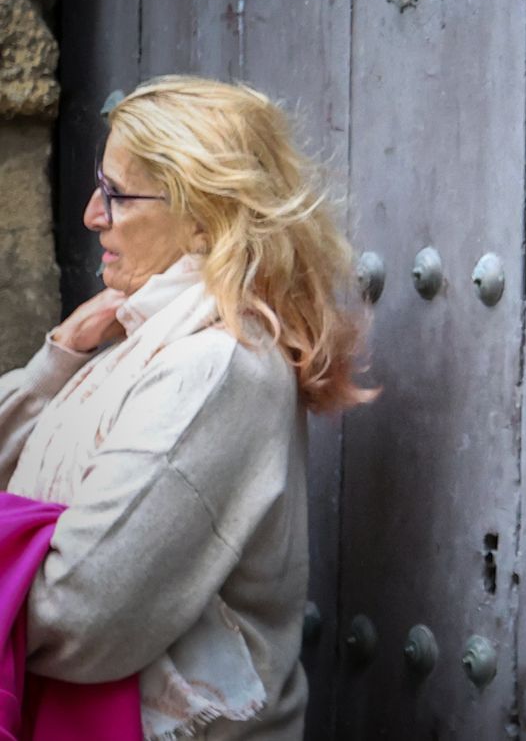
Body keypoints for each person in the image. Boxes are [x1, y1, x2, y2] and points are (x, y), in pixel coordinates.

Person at [0, 76, 373, 739]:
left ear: (203, 213)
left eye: (115, 194)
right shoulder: (138, 335)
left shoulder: (214, 364)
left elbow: (78, 613)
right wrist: (52, 365)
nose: (92, 215)